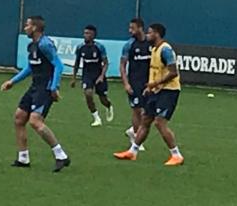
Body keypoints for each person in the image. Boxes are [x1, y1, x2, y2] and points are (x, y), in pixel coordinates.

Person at [1, 16, 70, 172]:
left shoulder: (45, 44)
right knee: (19, 118)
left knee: (35, 121)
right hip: (35, 87)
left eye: (27, 25)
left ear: (35, 28)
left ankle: (61, 155)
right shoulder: (32, 46)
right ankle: (23, 158)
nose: (25, 28)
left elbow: (58, 65)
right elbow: (30, 67)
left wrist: (54, 87)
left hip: (45, 88)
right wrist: (13, 81)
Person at [113, 23, 184, 166]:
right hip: (156, 90)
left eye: (150, 33)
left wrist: (155, 83)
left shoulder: (165, 50)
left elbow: (173, 72)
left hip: (169, 91)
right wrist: (150, 87)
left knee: (159, 122)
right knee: (145, 120)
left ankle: (176, 155)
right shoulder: (155, 50)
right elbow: (155, 70)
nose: (147, 35)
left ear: (157, 34)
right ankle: (133, 152)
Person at [70, 25, 114, 127]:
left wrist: (101, 76)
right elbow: (77, 63)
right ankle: (96, 118)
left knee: (103, 98)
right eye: (85, 33)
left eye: (88, 33)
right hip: (87, 75)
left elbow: (106, 63)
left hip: (98, 74)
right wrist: (74, 78)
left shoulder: (99, 47)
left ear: (93, 35)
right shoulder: (80, 47)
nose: (86, 35)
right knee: (88, 94)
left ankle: (108, 106)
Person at [120, 18, 151, 151]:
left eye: (132, 28)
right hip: (135, 82)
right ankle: (137, 138)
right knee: (138, 110)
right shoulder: (129, 45)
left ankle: (133, 131)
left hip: (149, 82)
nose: (130, 31)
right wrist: (126, 84)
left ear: (140, 28)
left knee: (149, 112)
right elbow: (122, 65)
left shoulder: (151, 44)